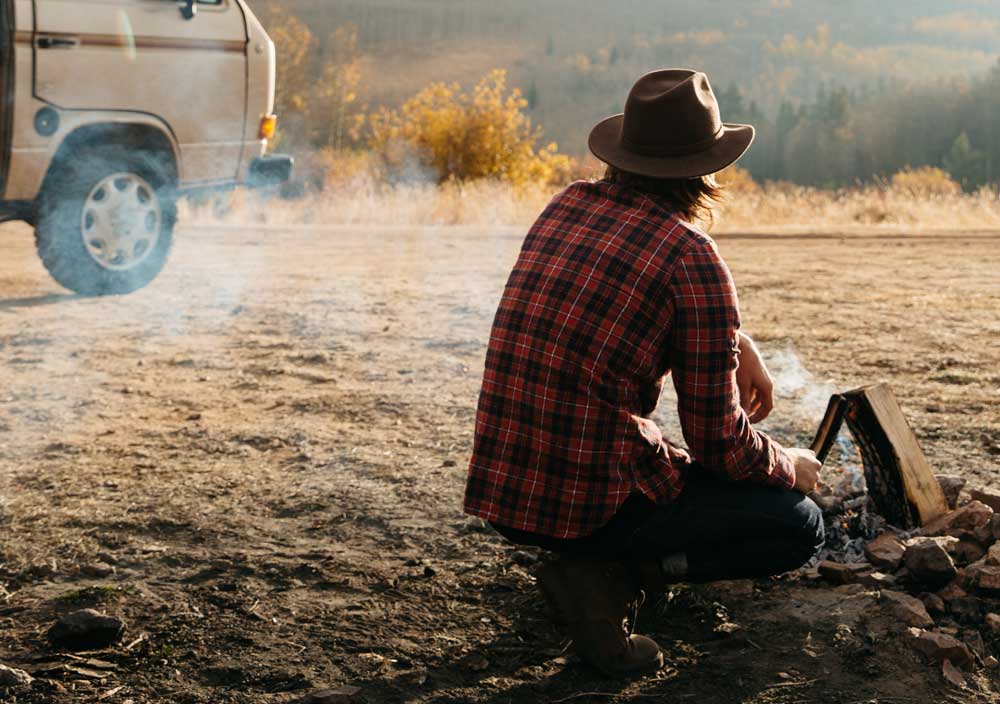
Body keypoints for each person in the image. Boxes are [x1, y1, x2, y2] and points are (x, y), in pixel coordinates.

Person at [463, 69, 826, 677]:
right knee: (799, 525)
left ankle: (592, 568)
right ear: (704, 170)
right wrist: (791, 466)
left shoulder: (568, 203)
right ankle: (613, 577)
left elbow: (629, 300)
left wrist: (740, 341)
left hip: (509, 492)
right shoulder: (692, 255)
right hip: (586, 503)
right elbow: (718, 444)